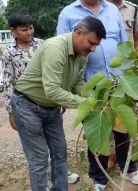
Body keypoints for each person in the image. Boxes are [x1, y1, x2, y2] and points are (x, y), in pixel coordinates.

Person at [57, 0, 138, 190]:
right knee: (97, 129)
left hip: (118, 81)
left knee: (123, 126)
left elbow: (123, 44)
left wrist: (130, 75)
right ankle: (99, 176)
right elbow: (63, 50)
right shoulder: (68, 14)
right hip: (90, 84)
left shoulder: (113, 10)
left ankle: (130, 168)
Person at [11, 16, 106, 191]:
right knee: (39, 158)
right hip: (27, 105)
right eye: (91, 43)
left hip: (51, 108)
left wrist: (95, 100)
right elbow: (53, 91)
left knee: (60, 153)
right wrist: (86, 104)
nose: (93, 49)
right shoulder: (56, 48)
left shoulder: (82, 54)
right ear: (78, 33)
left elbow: (77, 83)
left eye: (96, 45)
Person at [104, 0, 138, 168]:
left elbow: (137, 38)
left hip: (128, 69)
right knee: (108, 110)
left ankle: (132, 151)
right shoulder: (101, 9)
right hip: (107, 69)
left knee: (130, 111)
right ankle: (111, 154)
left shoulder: (133, 9)